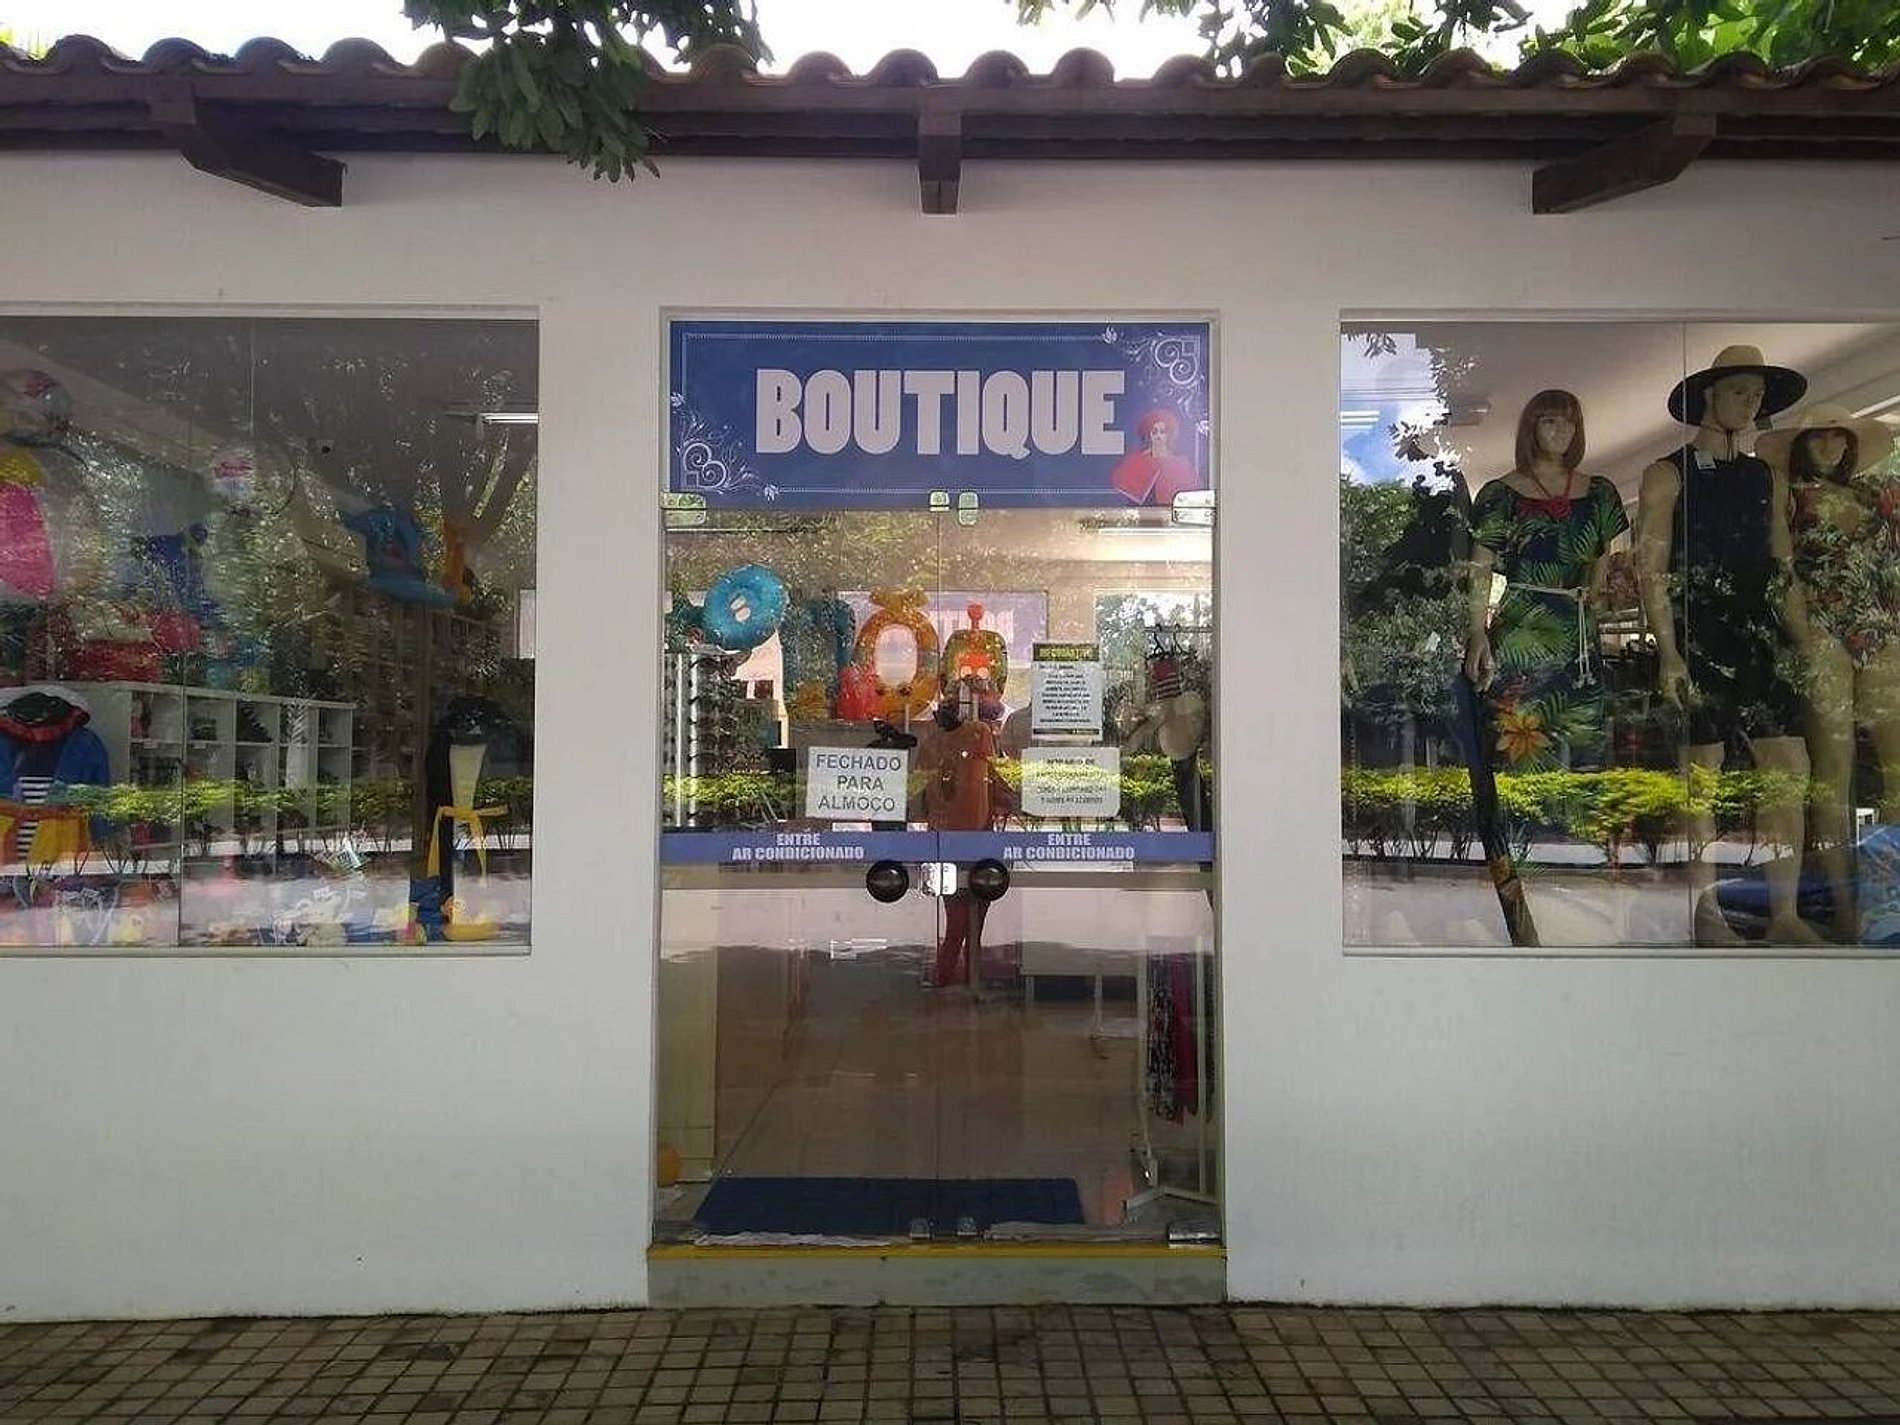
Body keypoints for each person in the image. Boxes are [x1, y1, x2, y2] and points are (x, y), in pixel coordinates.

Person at [1634, 345, 1817, 944]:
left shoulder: (1768, 477)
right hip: (1699, 632)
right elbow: (1651, 567)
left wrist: (1805, 642)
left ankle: (1785, 914)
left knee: (1788, 767)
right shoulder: (1668, 473)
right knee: (1702, 776)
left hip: (1760, 635)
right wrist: (1668, 650)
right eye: (1740, 391)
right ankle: (1705, 909)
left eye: (1757, 395)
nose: (1750, 402)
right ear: (1710, 395)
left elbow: (1782, 567)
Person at [1461, 390, 1628, 945]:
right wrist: (1477, 632)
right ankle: (1520, 904)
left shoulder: (1599, 493)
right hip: (1522, 638)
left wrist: (1597, 596)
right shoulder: (1499, 495)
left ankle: (1579, 902)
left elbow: (1604, 558)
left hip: (1578, 640)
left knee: (1581, 765)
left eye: (1569, 423)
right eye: (1549, 421)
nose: (1559, 432)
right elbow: (1480, 569)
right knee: (1516, 769)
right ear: (1531, 427)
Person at [1759, 403, 1899, 938]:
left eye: (1839, 437)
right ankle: (1845, 907)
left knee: (1896, 769)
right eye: (1818, 437)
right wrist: (1804, 633)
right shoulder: (1788, 497)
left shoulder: (1874, 495)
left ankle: (1886, 897)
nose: (1829, 446)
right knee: (1832, 777)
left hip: (1881, 628)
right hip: (1822, 631)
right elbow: (1780, 570)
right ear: (1801, 444)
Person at [916, 675, 1011, 989]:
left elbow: (920, 797)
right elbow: (998, 784)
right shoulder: (978, 734)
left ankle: (953, 977)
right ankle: (957, 977)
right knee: (966, 921)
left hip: (949, 838)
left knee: (959, 920)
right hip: (971, 838)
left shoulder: (935, 740)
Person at [1110, 408, 1201, 507]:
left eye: (1162, 432)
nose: (1158, 436)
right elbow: (1119, 481)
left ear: (1168, 435)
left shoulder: (1180, 464)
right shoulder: (1137, 461)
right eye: (1154, 432)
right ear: (1149, 435)